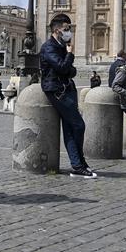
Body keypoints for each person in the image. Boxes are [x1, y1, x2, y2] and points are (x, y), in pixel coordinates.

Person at [39, 14, 96, 177]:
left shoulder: (60, 45)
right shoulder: (49, 47)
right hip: (57, 90)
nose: (69, 32)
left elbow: (71, 71)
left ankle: (78, 164)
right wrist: (70, 54)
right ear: (57, 30)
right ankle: (79, 163)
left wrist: (67, 63)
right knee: (78, 125)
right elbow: (64, 68)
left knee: (70, 128)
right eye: (66, 29)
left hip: (65, 88)